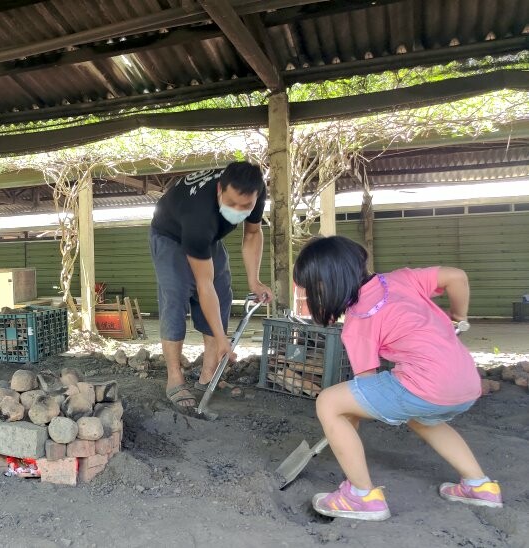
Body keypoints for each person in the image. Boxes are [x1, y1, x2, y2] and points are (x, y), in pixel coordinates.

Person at [293, 235, 502, 521]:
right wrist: (459, 316)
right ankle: (480, 486)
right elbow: (457, 277)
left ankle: (361, 496)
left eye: (313, 289)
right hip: (466, 381)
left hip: (427, 383)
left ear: (328, 283)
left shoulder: (359, 320)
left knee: (329, 403)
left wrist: (342, 422)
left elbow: (364, 387)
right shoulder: (402, 278)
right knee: (423, 418)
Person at [150, 162, 273, 411]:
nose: (238, 210)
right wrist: (221, 338)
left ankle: (209, 376)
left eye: (245, 206)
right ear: (219, 189)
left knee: (223, 293)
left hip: (210, 236)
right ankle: (174, 377)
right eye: (232, 203)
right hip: (171, 235)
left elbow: (252, 233)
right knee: (176, 295)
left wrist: (254, 280)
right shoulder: (199, 216)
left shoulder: (255, 191)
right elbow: (204, 286)